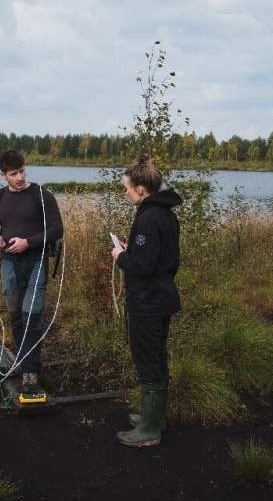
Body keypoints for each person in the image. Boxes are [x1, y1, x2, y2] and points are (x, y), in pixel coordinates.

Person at [111, 155, 182, 447]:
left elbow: (144, 266)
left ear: (141, 188)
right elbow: (160, 257)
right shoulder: (165, 214)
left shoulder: (148, 218)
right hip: (161, 297)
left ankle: (150, 430)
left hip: (148, 302)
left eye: (127, 188)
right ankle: (153, 417)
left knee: (148, 361)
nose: (126, 192)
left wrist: (121, 256)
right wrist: (133, 251)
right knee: (156, 358)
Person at [0, 150, 63, 394]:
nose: (19, 177)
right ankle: (22, 359)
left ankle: (30, 372)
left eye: (22, 171)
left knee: (32, 316)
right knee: (17, 316)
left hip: (36, 261)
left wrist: (28, 242)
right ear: (3, 175)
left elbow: (57, 229)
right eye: (13, 174)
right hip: (9, 263)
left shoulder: (41, 195)